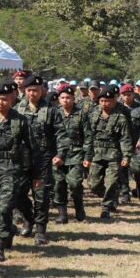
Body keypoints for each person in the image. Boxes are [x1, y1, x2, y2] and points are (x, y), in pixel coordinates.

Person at [0, 83, 44, 263]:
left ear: (11, 100)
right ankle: (9, 230)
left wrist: (36, 174)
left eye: (4, 99)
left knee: (4, 208)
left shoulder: (21, 121)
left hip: (12, 170)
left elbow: (32, 148)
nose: (1, 102)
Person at [13, 74, 65, 245]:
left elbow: (61, 134)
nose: (32, 93)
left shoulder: (51, 110)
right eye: (29, 90)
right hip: (22, 158)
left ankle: (41, 230)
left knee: (41, 196)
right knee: (17, 192)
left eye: (35, 90)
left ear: (42, 91)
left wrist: (60, 154)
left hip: (43, 158)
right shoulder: (18, 109)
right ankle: (29, 218)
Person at [85, 86, 133, 220]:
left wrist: (126, 156)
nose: (104, 103)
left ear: (113, 102)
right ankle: (112, 195)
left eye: (107, 101)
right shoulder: (92, 115)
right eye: (102, 101)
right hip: (96, 154)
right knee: (93, 185)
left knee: (112, 182)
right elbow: (87, 136)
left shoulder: (121, 118)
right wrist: (86, 154)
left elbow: (125, 138)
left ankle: (106, 208)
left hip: (113, 154)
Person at [54, 85, 89, 222]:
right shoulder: (55, 113)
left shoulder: (81, 114)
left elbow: (88, 136)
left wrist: (88, 156)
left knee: (75, 183)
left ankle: (79, 207)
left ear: (74, 99)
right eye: (62, 98)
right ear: (59, 99)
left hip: (76, 153)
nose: (65, 100)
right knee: (59, 184)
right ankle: (62, 214)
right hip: (58, 154)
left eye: (68, 98)